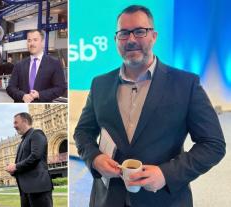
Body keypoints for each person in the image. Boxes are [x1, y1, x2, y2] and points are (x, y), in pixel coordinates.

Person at [74, 5, 226, 207]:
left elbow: (213, 144)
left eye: (139, 31)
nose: (131, 40)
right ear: (115, 39)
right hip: (108, 198)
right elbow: (83, 132)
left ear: (153, 36)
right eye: (124, 33)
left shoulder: (186, 84)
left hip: (163, 198)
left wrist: (166, 173)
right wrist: (94, 158)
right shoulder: (99, 84)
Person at [5, 112, 53, 207]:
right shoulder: (23, 140)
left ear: (25, 121)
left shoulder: (36, 134)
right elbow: (23, 164)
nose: (14, 126)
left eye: (16, 122)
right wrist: (13, 171)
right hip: (25, 190)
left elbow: (35, 156)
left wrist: (15, 166)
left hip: (38, 188)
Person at [6, 29, 66, 103]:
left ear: (42, 42)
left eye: (35, 40)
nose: (31, 43)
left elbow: (60, 88)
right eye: (29, 40)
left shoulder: (54, 63)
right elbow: (10, 87)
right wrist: (22, 96)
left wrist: (39, 95)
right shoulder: (19, 65)